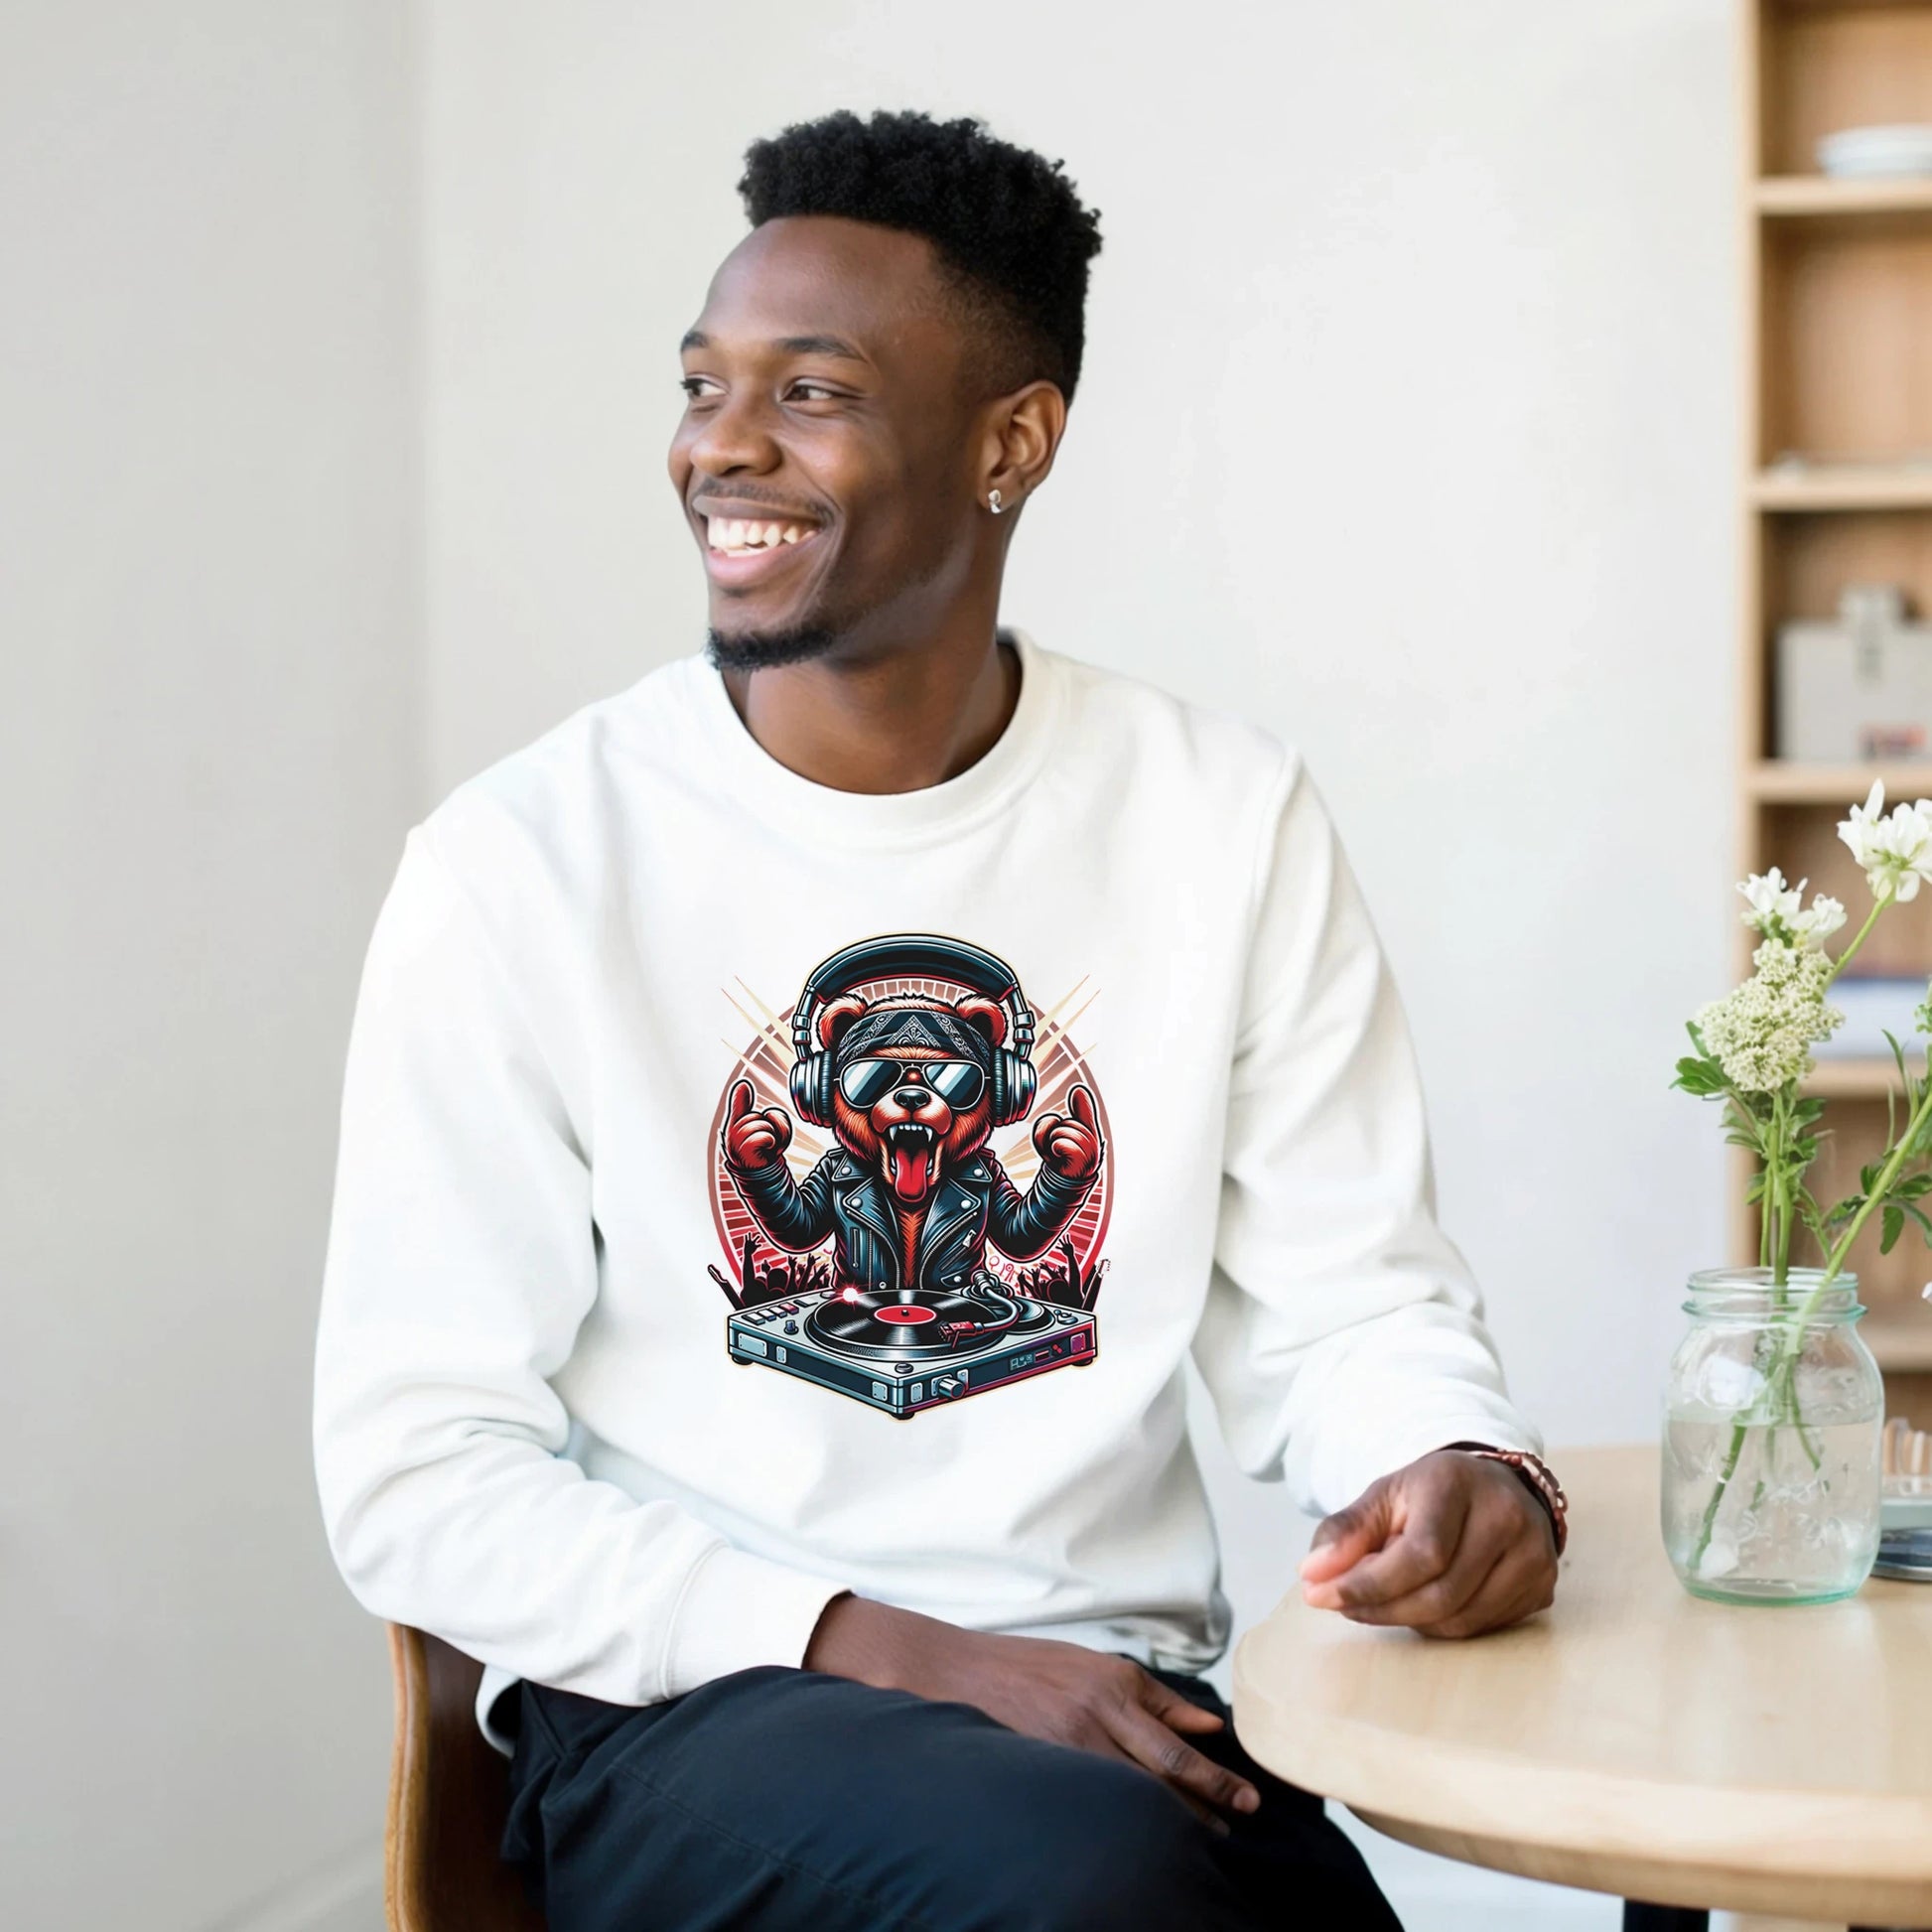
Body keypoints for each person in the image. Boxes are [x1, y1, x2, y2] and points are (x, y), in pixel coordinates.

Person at [313, 107, 1563, 1932]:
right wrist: (892, 1650)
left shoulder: (1217, 817)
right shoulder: (521, 865)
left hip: (1113, 1710)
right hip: (687, 1712)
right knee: (1094, 1890)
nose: (719, 445)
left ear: (1010, 442)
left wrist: (1454, 1461)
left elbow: (1352, 1297)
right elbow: (417, 1476)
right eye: (702, 382)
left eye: (807, 391)